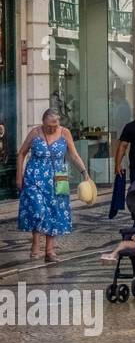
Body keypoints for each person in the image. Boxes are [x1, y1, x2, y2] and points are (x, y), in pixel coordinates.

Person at [17, 109, 91, 261]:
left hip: (58, 178)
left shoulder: (65, 133)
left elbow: (74, 155)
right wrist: (20, 176)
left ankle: (50, 250)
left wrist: (85, 173)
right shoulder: (35, 132)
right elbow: (21, 153)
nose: (52, 128)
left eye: (55, 125)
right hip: (34, 177)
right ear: (43, 122)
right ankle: (35, 245)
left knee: (54, 211)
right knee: (37, 208)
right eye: (49, 125)